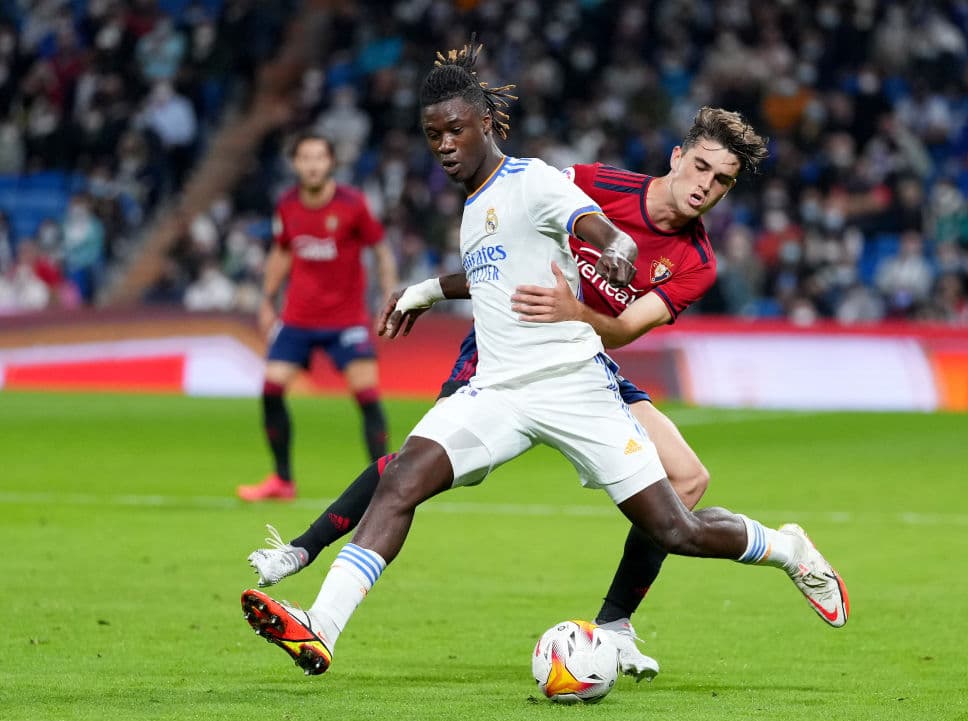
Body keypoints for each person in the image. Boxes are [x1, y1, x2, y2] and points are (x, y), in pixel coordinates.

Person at [241, 41, 848, 677]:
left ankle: (782, 549)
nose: (706, 186)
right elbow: (499, 271)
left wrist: (610, 255)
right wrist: (426, 290)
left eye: (721, 180)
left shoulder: (548, 185)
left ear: (483, 127)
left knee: (679, 524)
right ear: (677, 157)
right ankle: (320, 625)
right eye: (701, 167)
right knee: (402, 479)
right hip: (498, 384)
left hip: (576, 379)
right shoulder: (484, 206)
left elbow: (598, 250)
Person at [237, 132, 398, 501]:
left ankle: (384, 486)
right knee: (271, 389)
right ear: (295, 164)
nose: (312, 164)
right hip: (298, 319)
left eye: (319, 157)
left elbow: (380, 249)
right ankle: (282, 480)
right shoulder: (287, 205)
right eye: (305, 158)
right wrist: (266, 299)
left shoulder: (353, 204)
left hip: (346, 320)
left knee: (367, 396)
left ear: (330, 163)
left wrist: (389, 295)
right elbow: (281, 252)